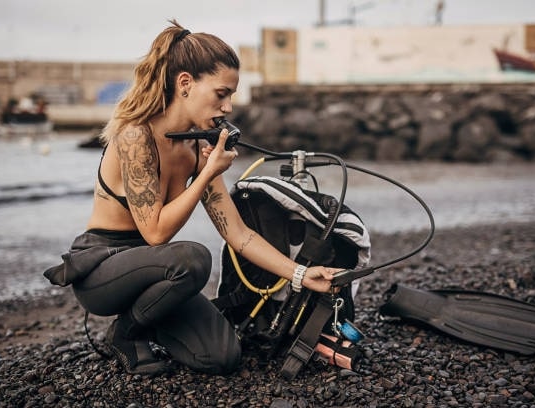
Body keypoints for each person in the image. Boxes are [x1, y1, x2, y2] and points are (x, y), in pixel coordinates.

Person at [56, 20, 341, 376]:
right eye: (222, 93)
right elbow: (156, 234)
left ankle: (150, 318)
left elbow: (239, 234)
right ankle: (125, 334)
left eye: (231, 96)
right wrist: (208, 172)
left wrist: (300, 274)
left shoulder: (195, 147)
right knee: (193, 258)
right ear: (186, 84)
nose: (228, 107)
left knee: (222, 356)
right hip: (102, 271)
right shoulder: (135, 137)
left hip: (157, 273)